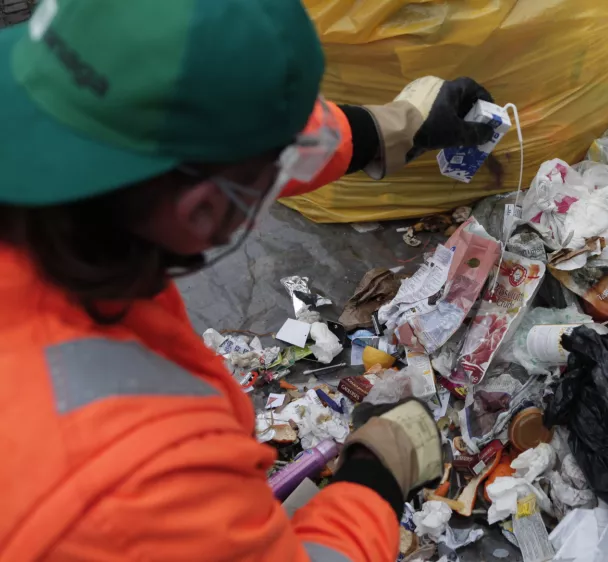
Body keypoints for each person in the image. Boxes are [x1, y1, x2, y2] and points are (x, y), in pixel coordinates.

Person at [0, 0, 494, 560]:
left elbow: (232, 144)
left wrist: (394, 127)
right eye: (269, 180)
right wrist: (376, 472)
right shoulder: (141, 472)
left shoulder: (45, 114)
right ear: (201, 212)